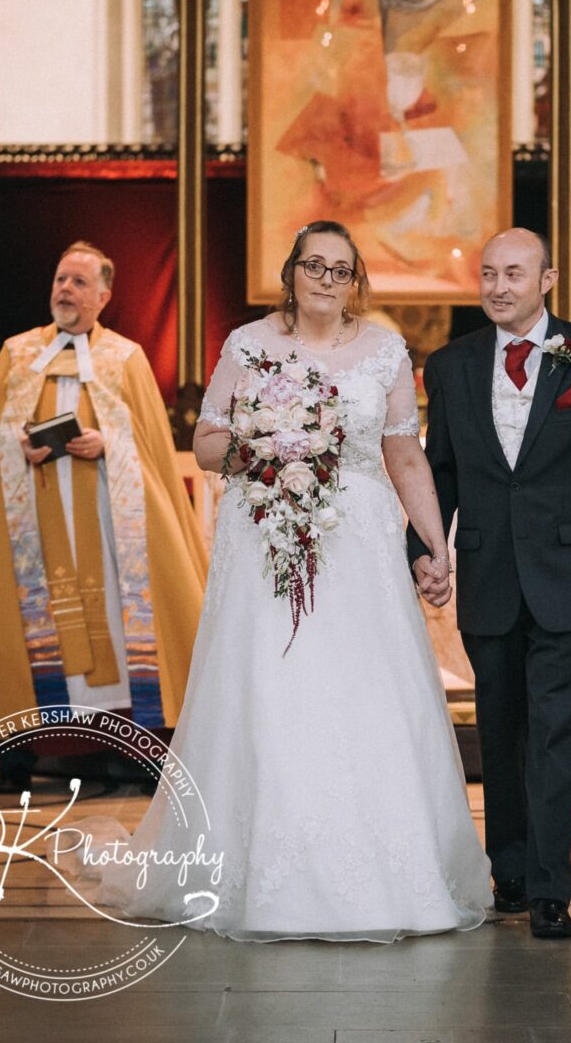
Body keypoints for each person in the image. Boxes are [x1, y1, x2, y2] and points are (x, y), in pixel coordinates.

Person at [91, 220, 492, 942]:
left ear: (356, 282)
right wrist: (268, 446)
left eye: (341, 270)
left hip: (360, 548)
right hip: (266, 541)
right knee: (270, 689)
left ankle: (385, 874)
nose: (326, 280)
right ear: (291, 271)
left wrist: (435, 545)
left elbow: (402, 453)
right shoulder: (247, 345)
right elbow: (207, 444)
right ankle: (259, 871)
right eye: (314, 265)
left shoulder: (386, 352)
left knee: (362, 693)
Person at [408, 227, 571, 939]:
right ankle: (506, 870)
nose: (497, 286)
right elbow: (440, 468)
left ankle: (548, 887)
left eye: (513, 273)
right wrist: (423, 549)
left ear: (547, 280)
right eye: (487, 274)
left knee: (555, 733)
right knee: (501, 730)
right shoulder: (451, 365)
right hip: (489, 574)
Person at [0, 242, 209, 784]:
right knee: (30, 626)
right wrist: (16, 444)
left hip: (111, 528)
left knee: (119, 627)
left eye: (78, 282)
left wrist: (106, 442)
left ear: (104, 296)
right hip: (36, 523)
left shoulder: (126, 357)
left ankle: (135, 748)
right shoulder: (17, 353)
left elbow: (150, 446)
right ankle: (20, 753)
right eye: (60, 279)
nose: (65, 290)